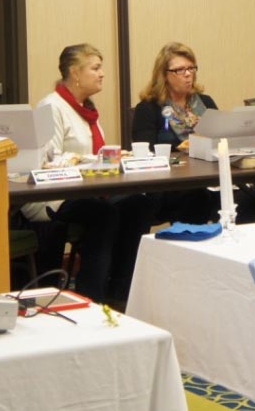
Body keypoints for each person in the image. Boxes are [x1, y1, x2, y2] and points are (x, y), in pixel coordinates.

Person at [21, 43, 156, 304]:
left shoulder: (86, 110)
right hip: (52, 196)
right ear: (74, 73)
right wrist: (93, 161)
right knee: (103, 214)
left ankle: (121, 293)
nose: (102, 73)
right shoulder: (52, 107)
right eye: (95, 68)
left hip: (88, 190)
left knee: (141, 203)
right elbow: (49, 162)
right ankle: (90, 297)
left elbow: (94, 155)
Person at [132, 42, 218, 223]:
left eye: (191, 68)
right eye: (179, 70)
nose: (188, 74)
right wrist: (183, 147)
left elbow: (221, 138)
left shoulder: (205, 103)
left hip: (210, 175)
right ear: (164, 75)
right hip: (169, 183)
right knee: (197, 196)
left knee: (248, 196)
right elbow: (145, 153)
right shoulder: (148, 108)